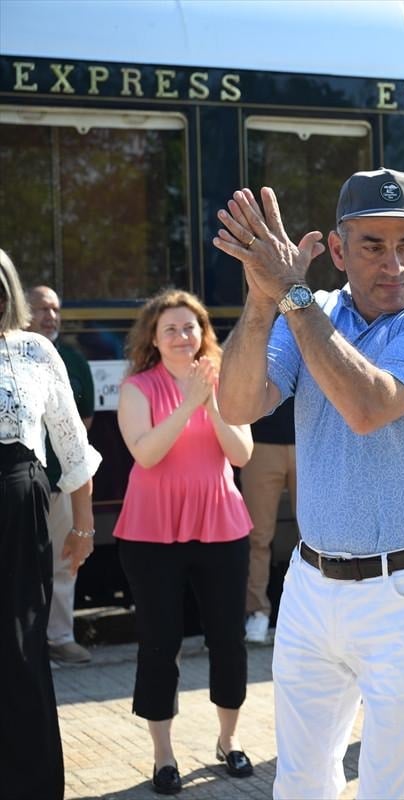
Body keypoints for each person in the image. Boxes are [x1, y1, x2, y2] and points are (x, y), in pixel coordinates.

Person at [213, 168, 404, 799]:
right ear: (337, 251)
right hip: (313, 584)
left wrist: (292, 295)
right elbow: (237, 403)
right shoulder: (313, 309)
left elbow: (367, 406)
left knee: (389, 789)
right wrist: (263, 298)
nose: (396, 263)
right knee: (299, 785)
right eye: (373, 245)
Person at [113, 289, 255, 794]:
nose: (180, 337)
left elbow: (241, 454)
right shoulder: (137, 387)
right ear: (153, 338)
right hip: (152, 531)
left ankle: (228, 740)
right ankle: (164, 755)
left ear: (203, 333)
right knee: (160, 643)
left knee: (228, 639)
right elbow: (146, 454)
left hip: (221, 526)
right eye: (169, 329)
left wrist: (210, 402)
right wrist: (187, 405)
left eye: (189, 327)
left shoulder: (225, 381)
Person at [1, 251, 100, 800]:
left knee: (20, 648)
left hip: (18, 508)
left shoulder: (34, 350)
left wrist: (83, 526)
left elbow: (72, 444)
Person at [25, 285, 96, 664]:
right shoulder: (12, 355)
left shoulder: (73, 360)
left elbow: (84, 422)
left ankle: (60, 637)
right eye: (41, 308)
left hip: (64, 482)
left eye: (55, 309)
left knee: (64, 562)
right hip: (19, 483)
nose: (50, 316)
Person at [241, 397, 297, 644]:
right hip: (260, 439)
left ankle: (311, 612)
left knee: (317, 538)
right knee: (257, 536)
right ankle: (257, 611)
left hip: (310, 439)